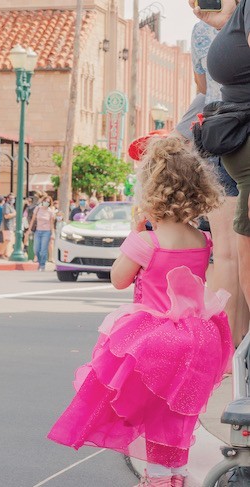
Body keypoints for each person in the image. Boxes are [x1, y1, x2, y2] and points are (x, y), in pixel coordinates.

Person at [48, 137, 232, 487]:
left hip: (153, 340)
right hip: (196, 336)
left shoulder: (146, 241)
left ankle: (160, 478)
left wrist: (133, 238)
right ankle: (173, 473)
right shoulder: (201, 241)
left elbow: (119, 279)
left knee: (150, 409)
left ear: (151, 191)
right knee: (177, 411)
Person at [184, 10, 250, 346]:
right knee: (238, 252)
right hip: (229, 136)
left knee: (228, 254)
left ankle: (224, 351)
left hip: (221, 136)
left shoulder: (201, 32)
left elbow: (201, 89)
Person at [28, 195, 55, 271]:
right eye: (45, 201)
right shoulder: (37, 209)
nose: (46, 203)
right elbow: (33, 219)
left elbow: (51, 223)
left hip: (46, 232)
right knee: (36, 249)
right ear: (42, 201)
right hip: (38, 231)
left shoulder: (50, 211)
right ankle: (40, 263)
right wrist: (29, 230)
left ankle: (42, 265)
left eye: (48, 202)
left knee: (43, 250)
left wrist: (53, 233)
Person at [3, 193, 17, 257]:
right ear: (8, 199)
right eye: (11, 198)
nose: (12, 200)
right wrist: (15, 214)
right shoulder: (6, 205)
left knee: (9, 240)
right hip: (7, 226)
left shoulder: (12, 206)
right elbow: (6, 216)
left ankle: (5, 253)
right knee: (8, 240)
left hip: (12, 226)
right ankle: (3, 253)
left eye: (13, 198)